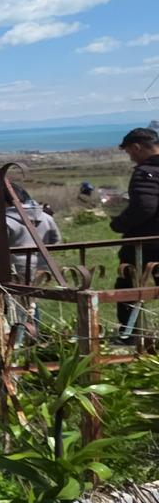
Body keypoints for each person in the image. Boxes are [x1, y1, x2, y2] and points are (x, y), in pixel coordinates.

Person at [110, 128, 159, 343]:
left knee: (128, 284)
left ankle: (130, 336)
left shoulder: (146, 172)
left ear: (137, 147)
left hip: (147, 241)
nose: (131, 157)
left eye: (130, 152)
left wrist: (119, 223)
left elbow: (144, 207)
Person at [5, 182, 61, 283]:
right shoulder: (46, 217)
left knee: (15, 296)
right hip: (42, 266)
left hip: (16, 268)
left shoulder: (5, 221)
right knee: (35, 295)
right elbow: (55, 240)